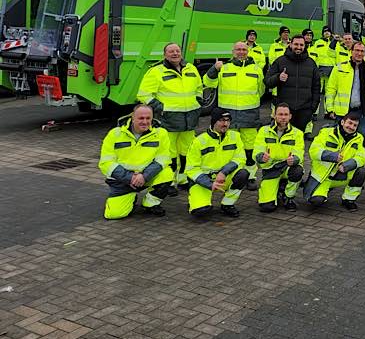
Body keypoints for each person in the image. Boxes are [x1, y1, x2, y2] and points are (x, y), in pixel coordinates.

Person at [136, 42, 202, 191]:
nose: (175, 53)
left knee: (187, 150)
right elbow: (144, 94)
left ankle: (183, 178)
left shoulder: (191, 68)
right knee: (169, 152)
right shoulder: (156, 71)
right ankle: (170, 181)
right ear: (165, 54)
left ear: (181, 53)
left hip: (190, 117)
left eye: (177, 51)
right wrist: (160, 109)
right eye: (171, 51)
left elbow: (199, 88)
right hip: (168, 118)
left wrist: (199, 102)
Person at [203, 41, 265, 190]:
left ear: (248, 51)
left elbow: (261, 90)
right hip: (228, 117)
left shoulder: (256, 69)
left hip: (249, 116)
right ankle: (232, 174)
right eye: (238, 49)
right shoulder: (224, 68)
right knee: (231, 147)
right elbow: (208, 83)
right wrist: (213, 69)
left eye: (244, 49)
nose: (241, 52)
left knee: (250, 148)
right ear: (233, 51)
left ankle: (250, 176)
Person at [97, 104, 174, 219]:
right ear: (133, 118)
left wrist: (144, 176)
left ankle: (150, 203)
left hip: (146, 177)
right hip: (122, 180)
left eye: (148, 118)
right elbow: (106, 163)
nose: (145, 122)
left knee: (167, 174)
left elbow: (163, 159)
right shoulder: (115, 134)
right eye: (141, 118)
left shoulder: (161, 133)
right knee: (113, 215)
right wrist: (130, 178)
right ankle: (130, 198)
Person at [184, 108, 248, 218]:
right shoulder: (199, 141)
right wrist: (209, 183)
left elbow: (240, 158)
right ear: (213, 121)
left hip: (223, 177)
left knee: (243, 174)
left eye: (228, 120)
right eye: (221, 120)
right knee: (201, 212)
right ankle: (195, 200)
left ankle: (227, 204)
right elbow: (191, 169)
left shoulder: (235, 136)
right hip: (203, 181)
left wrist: (224, 172)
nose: (225, 124)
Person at [305, 112, 365, 211]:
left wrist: (346, 165)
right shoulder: (326, 132)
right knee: (315, 201)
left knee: (361, 171)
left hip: (342, 174)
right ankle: (315, 186)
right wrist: (333, 156)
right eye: (349, 123)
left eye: (355, 125)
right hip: (323, 177)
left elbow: (361, 157)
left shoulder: (359, 138)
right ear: (342, 122)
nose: (351, 127)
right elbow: (313, 151)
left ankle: (349, 200)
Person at [264, 34, 321, 138]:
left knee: (298, 144)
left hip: (304, 111)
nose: (298, 47)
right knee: (283, 141)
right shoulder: (280, 61)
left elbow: (316, 87)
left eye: (301, 45)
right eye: (296, 44)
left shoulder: (311, 63)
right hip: (285, 111)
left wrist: (312, 108)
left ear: (305, 46)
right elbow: (267, 81)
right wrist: (278, 77)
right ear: (290, 44)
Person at [253, 103, 305, 212]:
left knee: (298, 171)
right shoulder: (264, 130)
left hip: (287, 167)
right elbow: (257, 148)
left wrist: (294, 159)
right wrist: (261, 157)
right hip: (271, 169)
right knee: (267, 207)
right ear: (274, 115)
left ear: (290, 116)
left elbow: (299, 152)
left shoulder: (298, 133)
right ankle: (278, 188)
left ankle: (288, 197)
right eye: (280, 114)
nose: (283, 117)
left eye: (286, 114)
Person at [325, 41, 365, 140]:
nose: (359, 53)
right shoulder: (339, 67)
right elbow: (331, 89)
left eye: (362, 51)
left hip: (362, 112)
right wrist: (330, 108)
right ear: (351, 51)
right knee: (339, 141)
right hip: (342, 112)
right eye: (357, 50)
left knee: (360, 141)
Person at [309, 26, 336, 117]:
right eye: (325, 31)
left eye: (328, 31)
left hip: (331, 69)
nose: (326, 33)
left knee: (329, 93)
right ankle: (315, 112)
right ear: (322, 33)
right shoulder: (318, 43)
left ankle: (328, 112)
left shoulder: (335, 43)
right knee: (317, 92)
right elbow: (314, 56)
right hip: (319, 69)